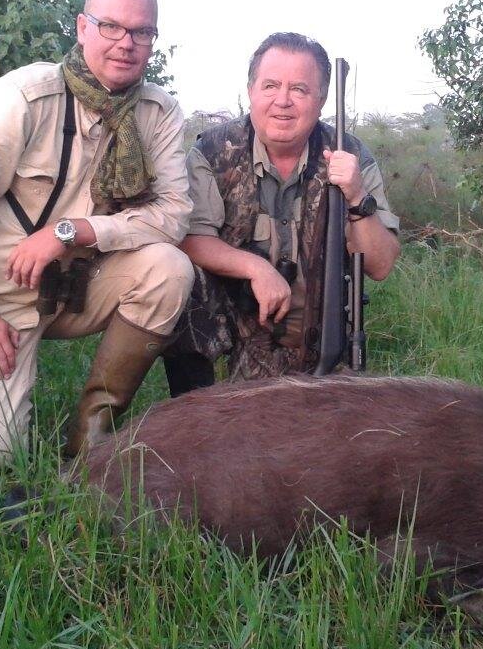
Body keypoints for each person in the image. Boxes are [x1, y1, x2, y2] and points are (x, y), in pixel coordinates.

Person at [0, 0, 194, 469]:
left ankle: (90, 446)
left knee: (169, 269)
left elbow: (173, 214)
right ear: (82, 26)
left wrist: (74, 231)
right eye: (110, 26)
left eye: (142, 32)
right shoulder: (25, 95)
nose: (126, 44)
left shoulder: (159, 113)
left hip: (81, 283)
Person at [164, 32, 400, 392]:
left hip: (315, 338)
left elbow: (380, 265)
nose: (283, 101)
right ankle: (193, 404)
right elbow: (191, 239)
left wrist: (356, 196)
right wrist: (256, 268)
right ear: (251, 90)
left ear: (320, 101)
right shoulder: (211, 151)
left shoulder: (350, 154)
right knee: (178, 273)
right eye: (271, 85)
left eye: (300, 90)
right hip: (235, 331)